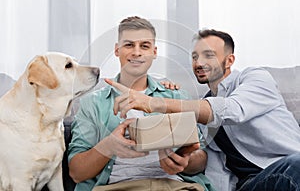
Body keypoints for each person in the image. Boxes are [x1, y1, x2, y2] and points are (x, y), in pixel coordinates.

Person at [107, 29, 300, 191]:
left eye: (209, 55)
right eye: (194, 56)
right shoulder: (200, 107)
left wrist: (154, 102)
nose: (198, 63)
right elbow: (203, 158)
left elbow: (231, 109)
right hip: (248, 185)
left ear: (230, 60)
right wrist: (182, 163)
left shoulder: (256, 78)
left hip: (289, 168)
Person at [68, 16, 214, 191]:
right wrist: (109, 146)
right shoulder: (92, 104)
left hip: (175, 186)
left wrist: (185, 160)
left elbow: (201, 157)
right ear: (117, 50)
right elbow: (77, 172)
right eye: (129, 45)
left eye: (144, 46)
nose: (136, 52)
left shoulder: (175, 97)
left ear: (154, 52)